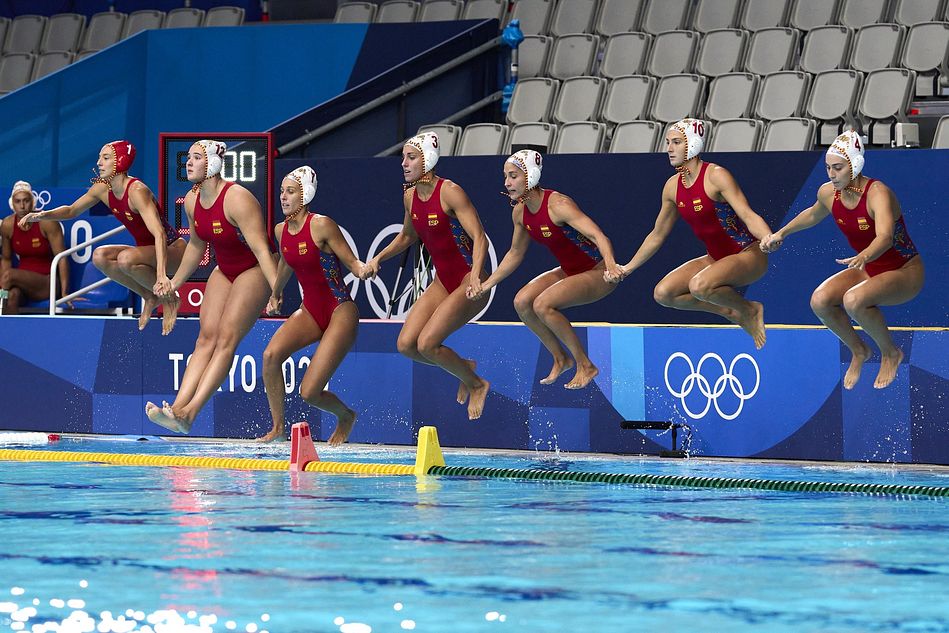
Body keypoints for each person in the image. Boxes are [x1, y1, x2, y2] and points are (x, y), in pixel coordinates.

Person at [760, 130, 923, 390]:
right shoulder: (828, 193)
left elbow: (885, 237)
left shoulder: (877, 193)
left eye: (837, 168)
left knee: (853, 300)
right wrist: (781, 234)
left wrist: (864, 255)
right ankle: (859, 351)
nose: (831, 174)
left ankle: (891, 353)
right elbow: (812, 215)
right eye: (828, 168)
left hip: (905, 271)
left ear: (855, 164)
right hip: (868, 267)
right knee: (820, 300)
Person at [147, 140, 278, 433]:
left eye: (196, 158)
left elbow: (261, 250)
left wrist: (275, 290)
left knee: (226, 338)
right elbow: (196, 245)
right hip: (226, 269)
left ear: (213, 165)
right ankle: (176, 409)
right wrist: (174, 283)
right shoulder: (192, 201)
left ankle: (191, 413)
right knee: (205, 338)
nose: (188, 163)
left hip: (255, 268)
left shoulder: (237, 199)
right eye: (188, 158)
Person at [360, 131, 491, 420]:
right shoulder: (409, 196)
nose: (403, 164)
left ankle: (478, 384)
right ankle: (464, 367)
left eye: (411, 158)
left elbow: (479, 237)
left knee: (427, 343)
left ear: (427, 160)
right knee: (406, 345)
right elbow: (407, 236)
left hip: (470, 279)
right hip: (443, 280)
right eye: (403, 158)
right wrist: (378, 258)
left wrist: (476, 277)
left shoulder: (450, 192)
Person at [467, 150, 624, 389]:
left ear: (530, 175)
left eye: (513, 176)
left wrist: (611, 266)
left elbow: (598, 235)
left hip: (597, 271)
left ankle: (586, 365)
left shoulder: (558, 205)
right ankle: (561, 359)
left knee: (542, 304)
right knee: (521, 302)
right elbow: (515, 253)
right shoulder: (519, 212)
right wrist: (486, 284)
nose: (507, 183)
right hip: (569, 270)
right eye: (505, 176)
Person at [610, 118, 772, 349]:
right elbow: (657, 234)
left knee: (699, 286)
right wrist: (627, 267)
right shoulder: (671, 187)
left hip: (748, 254)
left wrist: (767, 237)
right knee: (664, 294)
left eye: (676, 142)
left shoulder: (716, 176)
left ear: (693, 144)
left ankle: (750, 309)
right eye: (667, 142)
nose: (669, 148)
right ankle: (730, 311)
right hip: (714, 258)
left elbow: (747, 214)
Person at [17, 141, 186, 333]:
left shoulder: (137, 191)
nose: (99, 163)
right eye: (99, 158)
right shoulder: (102, 189)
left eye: (105, 158)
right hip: (147, 253)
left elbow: (159, 233)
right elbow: (72, 210)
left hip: (173, 251)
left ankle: (170, 298)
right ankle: (150, 296)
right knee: (99, 256)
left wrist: (161, 275)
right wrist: (40, 215)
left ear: (120, 161)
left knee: (126, 258)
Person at [257, 166, 364, 444]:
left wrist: (361, 269)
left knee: (309, 392)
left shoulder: (321, 225)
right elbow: (285, 262)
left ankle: (345, 416)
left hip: (340, 309)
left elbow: (350, 260)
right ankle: (278, 428)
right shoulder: (281, 231)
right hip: (311, 310)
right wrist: (276, 292)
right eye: (282, 191)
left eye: (290, 191)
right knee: (270, 357)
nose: (283, 197)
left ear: (305, 194)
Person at [1, 181, 69, 314]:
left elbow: (61, 258)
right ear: (11, 204)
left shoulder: (46, 222)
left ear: (33, 202)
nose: (22, 206)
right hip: (21, 284)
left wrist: (65, 293)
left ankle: (0, 302)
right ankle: (9, 333)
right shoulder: (7, 225)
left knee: (8, 276)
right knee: (13, 296)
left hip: (47, 283)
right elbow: (6, 259)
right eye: (18, 201)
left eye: (26, 201)